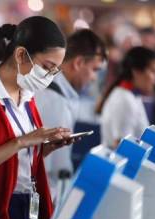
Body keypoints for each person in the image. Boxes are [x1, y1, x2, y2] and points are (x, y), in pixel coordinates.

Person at [0, 16, 76, 219]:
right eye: (47, 67)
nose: (49, 76)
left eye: (54, 71)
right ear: (21, 54)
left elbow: (17, 162)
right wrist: (22, 142)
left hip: (26, 205)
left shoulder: (27, 93)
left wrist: (43, 148)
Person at [34, 29, 107, 195]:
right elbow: (46, 169)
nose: (95, 78)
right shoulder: (54, 100)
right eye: (95, 69)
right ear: (78, 63)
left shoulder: (59, 94)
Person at [96, 46, 155, 149]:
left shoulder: (133, 96)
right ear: (136, 72)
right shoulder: (124, 100)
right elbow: (122, 148)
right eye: (153, 71)